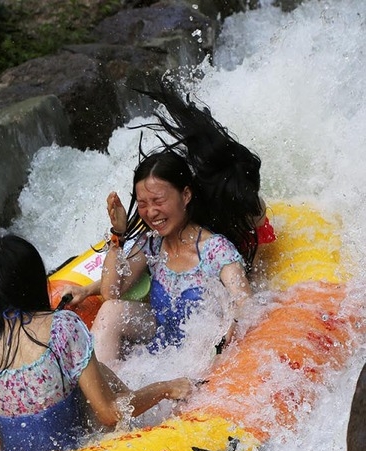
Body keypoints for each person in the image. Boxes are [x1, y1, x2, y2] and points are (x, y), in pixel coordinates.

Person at [72, 81, 273, 364]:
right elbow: (111, 291)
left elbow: (245, 301)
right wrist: (118, 234)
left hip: (201, 354)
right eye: (143, 204)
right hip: (160, 342)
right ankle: (105, 400)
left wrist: (233, 325)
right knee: (111, 310)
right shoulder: (152, 246)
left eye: (158, 201)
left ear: (186, 195)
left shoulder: (215, 249)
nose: (151, 212)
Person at [0, 234, 193, 451]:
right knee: (100, 376)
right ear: (35, 282)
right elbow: (110, 413)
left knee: (95, 372)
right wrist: (165, 388)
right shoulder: (62, 327)